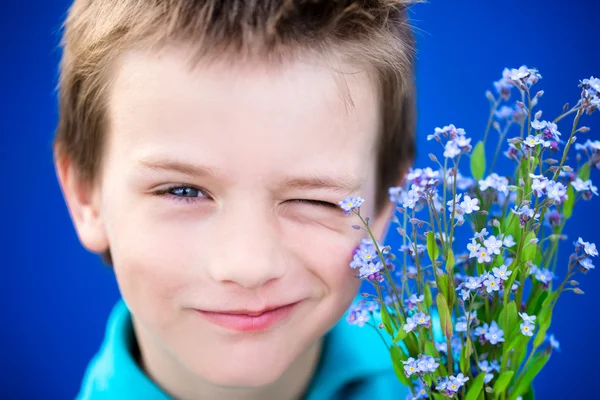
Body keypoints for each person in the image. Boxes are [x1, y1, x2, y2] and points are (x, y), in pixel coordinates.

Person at [53, 1, 418, 399]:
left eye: (314, 200)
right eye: (183, 191)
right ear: (86, 196)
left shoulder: (474, 365)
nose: (249, 266)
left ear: (386, 203)